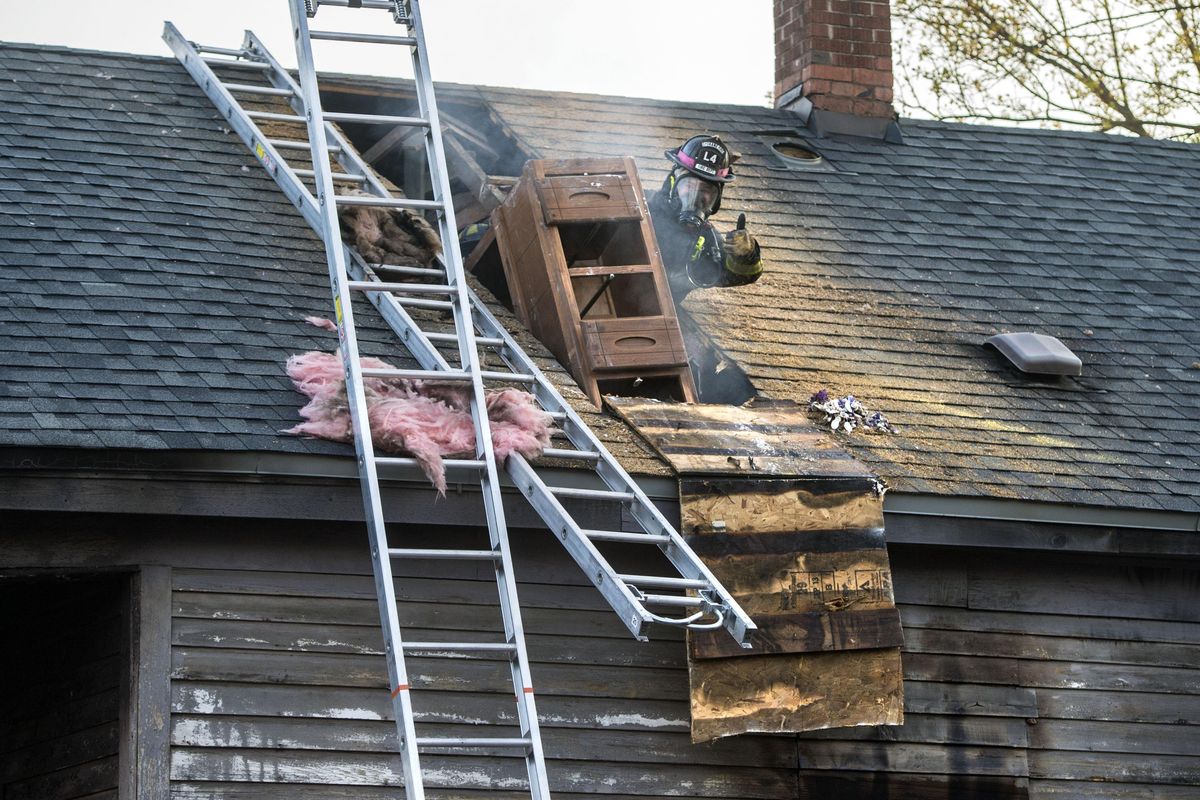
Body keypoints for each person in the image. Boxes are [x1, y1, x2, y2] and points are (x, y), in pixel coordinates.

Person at [647, 134, 764, 301]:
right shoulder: (639, 205)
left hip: (659, 315)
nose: (695, 195)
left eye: (706, 189)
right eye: (689, 185)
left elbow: (737, 275)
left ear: (716, 198)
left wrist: (746, 256)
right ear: (673, 183)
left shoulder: (706, 239)